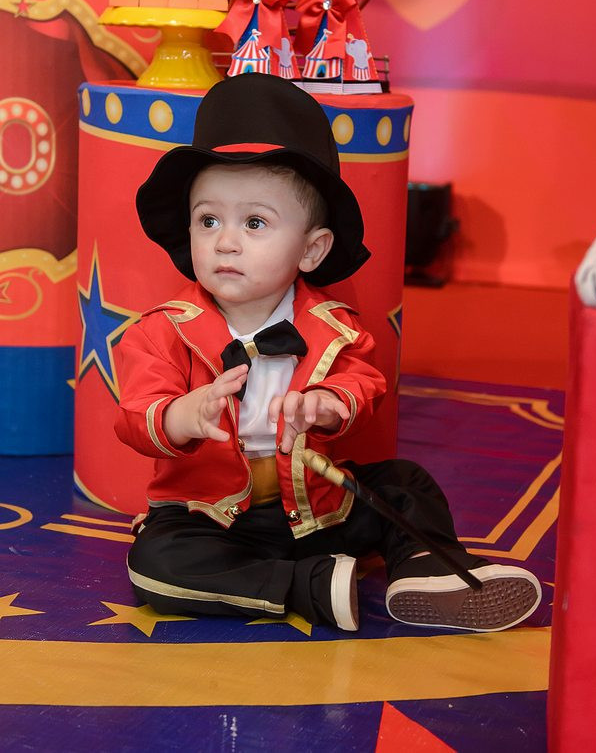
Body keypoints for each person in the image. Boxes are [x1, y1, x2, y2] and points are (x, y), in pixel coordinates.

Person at [115, 72, 541, 632]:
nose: (225, 241)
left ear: (311, 250)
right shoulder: (161, 330)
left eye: (255, 223)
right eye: (208, 220)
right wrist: (181, 415)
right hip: (212, 517)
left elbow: (363, 381)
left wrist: (329, 404)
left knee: (405, 484)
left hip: (316, 505)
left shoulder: (333, 326)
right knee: (155, 564)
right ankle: (312, 585)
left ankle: (427, 569)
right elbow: (133, 417)